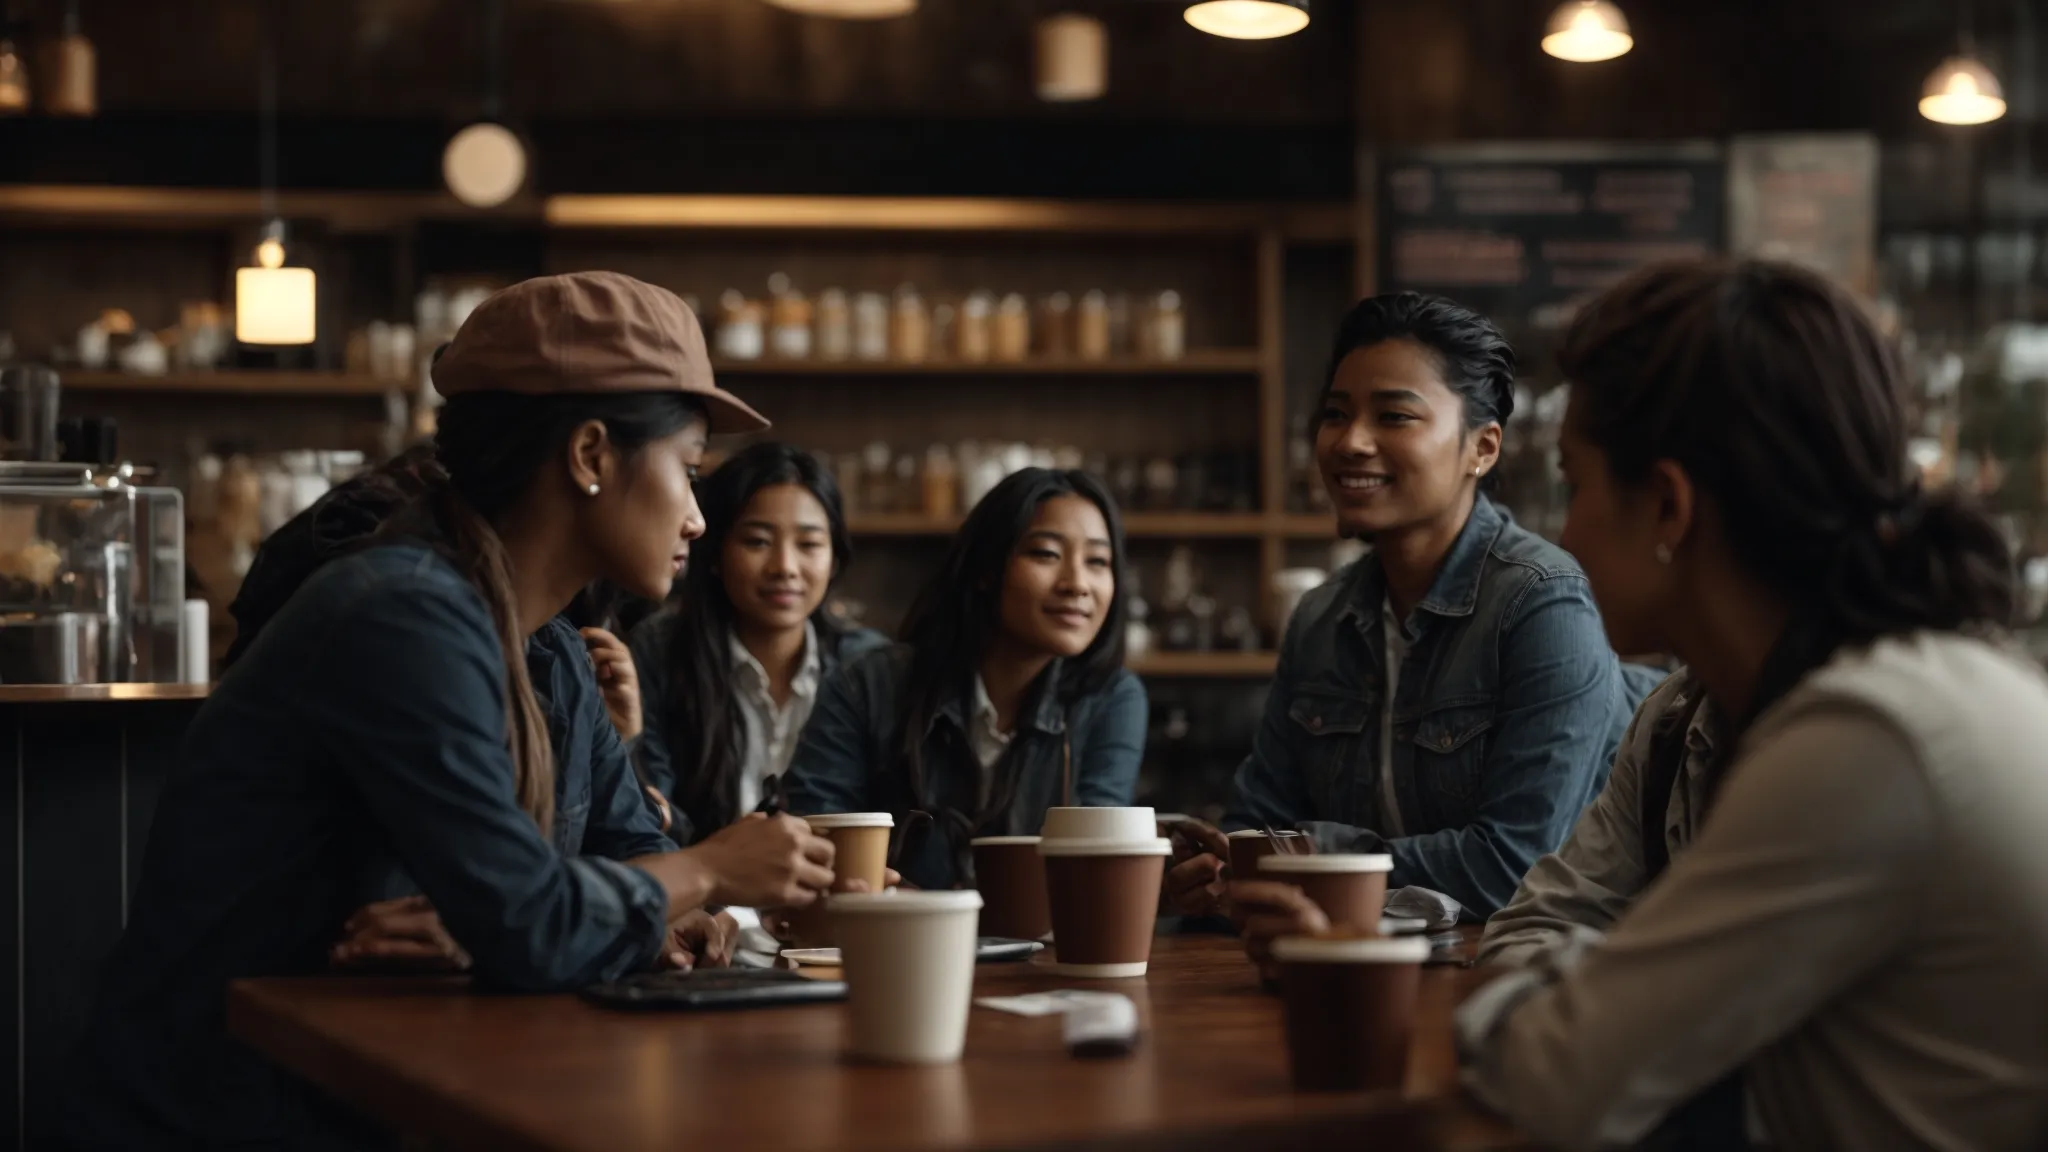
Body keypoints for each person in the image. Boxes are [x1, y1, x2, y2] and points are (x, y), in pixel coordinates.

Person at [64, 272, 841, 1149]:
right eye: (689, 470)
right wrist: (706, 874)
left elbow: (623, 847)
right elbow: (535, 924)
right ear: (590, 456)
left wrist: (667, 906)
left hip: (384, 1090)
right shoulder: (405, 612)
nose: (697, 517)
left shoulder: (546, 639)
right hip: (228, 1113)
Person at [1434, 258, 2048, 1149]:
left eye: (1574, 485)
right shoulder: (1891, 687)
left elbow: (1558, 1078)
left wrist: (1611, 1002)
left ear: (1669, 508)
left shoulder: (1866, 739)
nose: (1560, 534)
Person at [1176, 293, 1644, 928]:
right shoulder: (1320, 619)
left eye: (1394, 416)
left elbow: (1517, 866)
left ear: (1482, 447)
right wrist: (1209, 879)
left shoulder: (1542, 601)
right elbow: (1253, 837)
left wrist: (1315, 859)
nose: (1351, 442)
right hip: (1360, 961)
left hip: (1530, 971)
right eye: (1335, 415)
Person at [784, 467, 1146, 891]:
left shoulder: (1110, 699)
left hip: (1045, 953)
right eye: (1046, 554)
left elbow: (1094, 868)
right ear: (985, 569)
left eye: (1098, 561)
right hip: (890, 944)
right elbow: (817, 845)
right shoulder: (869, 685)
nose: (1078, 584)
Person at [630, 441, 888, 848]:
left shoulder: (868, 667)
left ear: (834, 558)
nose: (784, 567)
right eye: (757, 541)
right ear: (714, 554)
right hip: (699, 897)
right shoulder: (660, 652)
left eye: (809, 544)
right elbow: (647, 809)